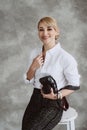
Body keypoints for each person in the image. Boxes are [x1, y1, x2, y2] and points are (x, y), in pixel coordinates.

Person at [22, 16, 80, 130]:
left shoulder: (65, 58)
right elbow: (29, 80)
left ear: (56, 31)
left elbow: (75, 85)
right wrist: (33, 67)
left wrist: (56, 96)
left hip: (54, 103)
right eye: (41, 29)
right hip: (35, 98)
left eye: (49, 29)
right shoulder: (34, 53)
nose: (45, 33)